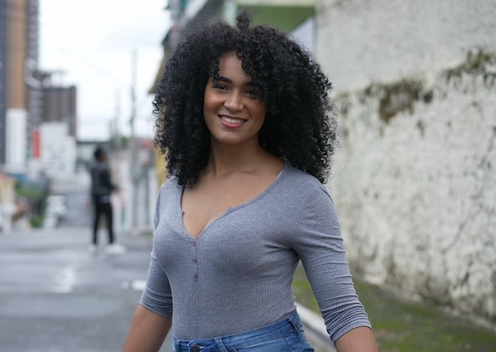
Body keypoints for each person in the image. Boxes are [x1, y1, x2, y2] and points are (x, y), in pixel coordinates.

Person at [123, 10, 378, 352]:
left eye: (252, 91)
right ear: (198, 92)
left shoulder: (300, 195)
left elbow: (343, 312)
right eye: (221, 86)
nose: (234, 103)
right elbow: (156, 305)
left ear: (273, 103)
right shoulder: (171, 191)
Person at [89, 147, 125, 254]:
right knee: (109, 220)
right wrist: (116, 188)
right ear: (100, 156)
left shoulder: (92, 167)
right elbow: (107, 183)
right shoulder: (103, 168)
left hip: (96, 197)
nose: (105, 156)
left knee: (96, 221)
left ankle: (94, 243)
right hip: (104, 197)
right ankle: (111, 243)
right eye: (104, 154)